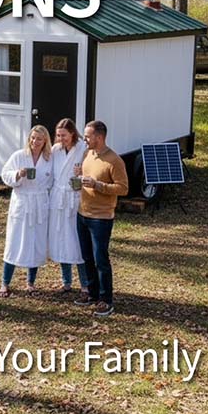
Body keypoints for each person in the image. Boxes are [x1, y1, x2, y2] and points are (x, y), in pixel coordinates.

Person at [75, 121, 129, 317]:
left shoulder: (114, 160)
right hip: (82, 214)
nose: (85, 139)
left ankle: (106, 301)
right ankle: (92, 293)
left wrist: (98, 185)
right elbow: (85, 176)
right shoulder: (88, 154)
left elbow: (123, 188)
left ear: (99, 137)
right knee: (87, 257)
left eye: (88, 136)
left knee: (100, 259)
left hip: (101, 218)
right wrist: (78, 177)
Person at [0, 125, 53, 297]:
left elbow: (54, 180)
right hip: (22, 202)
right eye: (32, 138)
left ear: (45, 141)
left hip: (39, 203)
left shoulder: (49, 158)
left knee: (35, 243)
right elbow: (4, 174)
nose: (35, 142)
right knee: (14, 242)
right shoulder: (19, 156)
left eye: (39, 139)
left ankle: (30, 283)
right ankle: (5, 283)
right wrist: (18, 174)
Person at [48, 118, 89, 295]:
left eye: (63, 135)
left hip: (75, 198)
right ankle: (66, 281)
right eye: (58, 135)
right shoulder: (55, 150)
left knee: (76, 241)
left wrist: (83, 173)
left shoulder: (83, 149)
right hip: (58, 199)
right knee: (60, 241)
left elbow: (93, 169)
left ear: (72, 133)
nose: (60, 138)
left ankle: (85, 283)